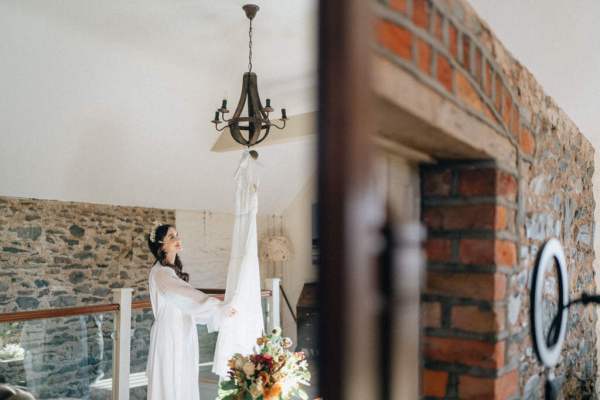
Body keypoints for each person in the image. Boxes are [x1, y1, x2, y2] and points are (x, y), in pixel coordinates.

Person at [146, 224, 236, 400]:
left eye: (177, 235)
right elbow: (186, 295)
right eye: (172, 237)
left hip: (183, 331)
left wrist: (217, 308)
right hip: (170, 334)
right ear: (161, 245)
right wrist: (218, 307)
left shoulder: (171, 271)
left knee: (183, 379)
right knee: (171, 380)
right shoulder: (161, 273)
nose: (178, 239)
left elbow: (187, 299)